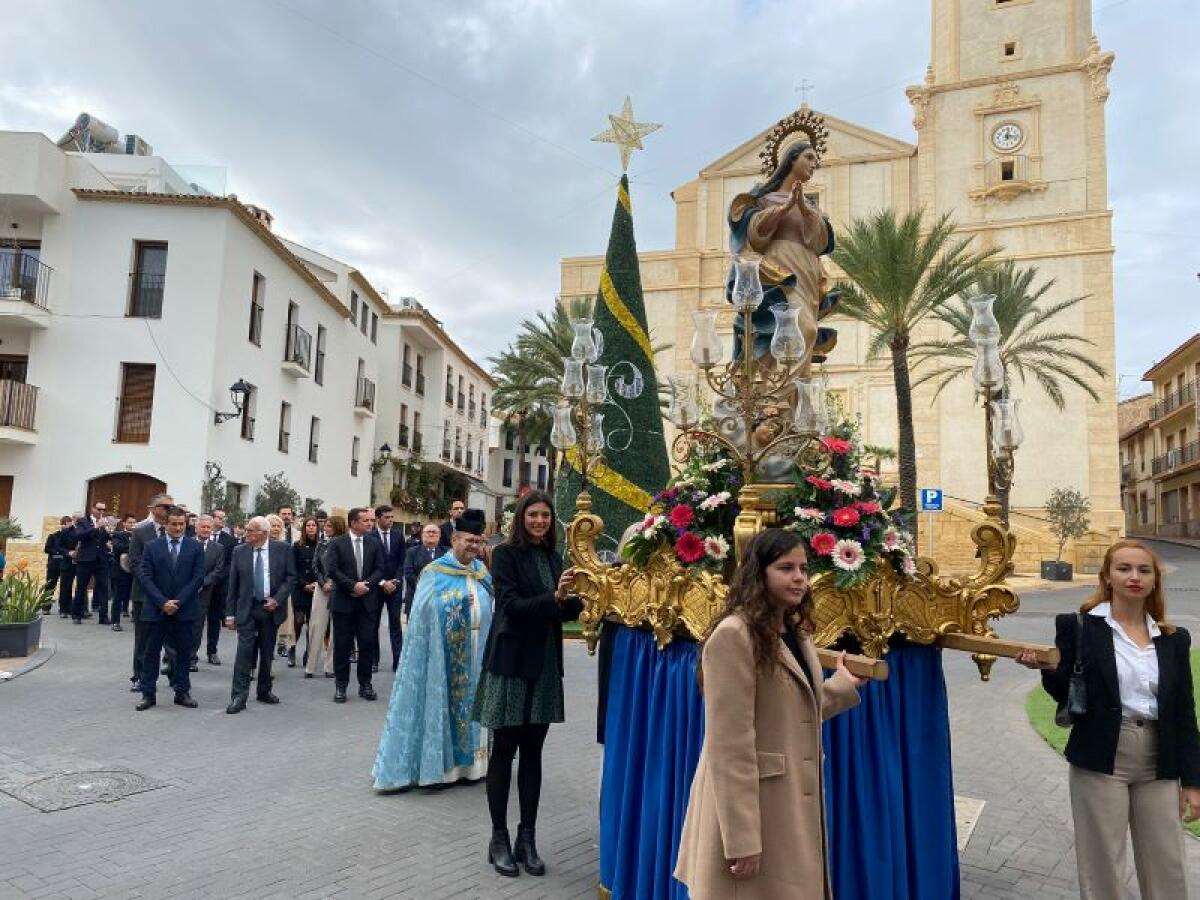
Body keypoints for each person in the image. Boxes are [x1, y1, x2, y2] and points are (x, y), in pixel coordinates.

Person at [675, 528, 865, 900]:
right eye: (785, 568)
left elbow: (793, 711)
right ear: (758, 574)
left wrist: (842, 686)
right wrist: (741, 838)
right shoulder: (734, 635)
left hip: (785, 807)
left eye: (803, 569)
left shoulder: (793, 631)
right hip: (755, 812)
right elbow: (729, 746)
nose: (798, 578)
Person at [1017, 540, 1200, 900]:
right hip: (1101, 755)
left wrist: (1193, 781)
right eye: (1124, 569)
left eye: (1143, 570)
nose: (1134, 577)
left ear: (1154, 580)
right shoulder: (1079, 627)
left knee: (1167, 862)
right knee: (1102, 864)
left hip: (1158, 758)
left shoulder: (1173, 639)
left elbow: (1184, 713)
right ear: (1107, 577)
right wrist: (1048, 670)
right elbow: (1067, 692)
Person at [472, 490, 585, 878]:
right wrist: (554, 598)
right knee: (504, 751)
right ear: (521, 518)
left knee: (533, 754)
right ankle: (498, 838)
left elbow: (562, 610)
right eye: (533, 515)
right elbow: (512, 606)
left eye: (546, 516)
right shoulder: (504, 554)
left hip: (544, 667)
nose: (540, 521)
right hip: (511, 663)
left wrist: (580, 597)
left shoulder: (554, 558)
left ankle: (527, 839)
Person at [373, 508, 494, 790]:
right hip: (444, 655)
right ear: (454, 540)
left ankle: (473, 767)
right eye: (469, 541)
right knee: (444, 708)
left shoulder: (482, 572)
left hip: (478, 656)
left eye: (478, 542)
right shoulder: (435, 573)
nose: (474, 547)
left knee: (474, 710)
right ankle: (442, 769)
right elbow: (423, 616)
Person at [727, 140, 836, 379]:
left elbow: (820, 243)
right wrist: (785, 208)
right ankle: (777, 400)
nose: (814, 164)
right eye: (809, 157)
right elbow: (755, 234)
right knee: (801, 327)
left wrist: (806, 211)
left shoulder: (809, 205)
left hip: (808, 270)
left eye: (815, 161)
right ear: (792, 158)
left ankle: (790, 398)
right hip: (780, 268)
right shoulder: (764, 199)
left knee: (802, 330)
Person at [223, 516, 297, 714]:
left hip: (270, 608)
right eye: (246, 529)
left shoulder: (282, 549)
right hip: (247, 608)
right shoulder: (239, 551)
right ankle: (239, 696)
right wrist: (230, 614)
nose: (246, 533)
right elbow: (233, 585)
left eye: (250, 531)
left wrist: (278, 599)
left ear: (263, 534)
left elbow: (291, 578)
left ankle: (264, 690)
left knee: (266, 652)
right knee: (243, 653)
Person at [135, 506, 204, 710]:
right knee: (151, 652)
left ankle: (182, 692)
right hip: (157, 609)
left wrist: (178, 602)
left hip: (184, 609)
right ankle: (148, 694)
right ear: (165, 525)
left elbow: (198, 577)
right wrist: (162, 602)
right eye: (173, 524)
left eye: (181, 524)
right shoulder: (152, 546)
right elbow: (145, 577)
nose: (177, 528)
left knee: (183, 652)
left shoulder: (195, 547)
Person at [326, 507, 385, 703]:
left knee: (367, 644)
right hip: (344, 602)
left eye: (371, 520)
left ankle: (365, 684)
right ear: (353, 523)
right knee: (342, 646)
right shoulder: (336, 543)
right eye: (366, 520)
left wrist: (366, 585)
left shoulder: (374, 543)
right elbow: (332, 570)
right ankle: (341, 686)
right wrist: (352, 586)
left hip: (367, 603)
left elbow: (380, 568)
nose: (371, 523)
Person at [128, 494, 174, 691]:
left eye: (171, 507)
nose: (168, 511)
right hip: (144, 595)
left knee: (172, 640)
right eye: (165, 507)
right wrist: (152, 588)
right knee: (143, 640)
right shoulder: (140, 532)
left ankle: (174, 676)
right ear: (154, 508)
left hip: (171, 597)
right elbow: (135, 563)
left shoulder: (177, 531)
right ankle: (140, 677)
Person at [304, 514, 343, 679]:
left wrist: (334, 582)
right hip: (321, 588)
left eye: (329, 526)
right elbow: (315, 565)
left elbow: (345, 567)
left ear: (337, 527)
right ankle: (310, 667)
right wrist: (322, 583)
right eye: (325, 526)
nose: (325, 529)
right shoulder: (322, 543)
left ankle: (330, 667)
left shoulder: (344, 544)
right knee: (316, 626)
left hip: (339, 588)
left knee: (337, 629)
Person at [189, 515, 227, 669]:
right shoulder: (187, 543)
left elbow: (218, 570)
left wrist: (202, 583)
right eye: (202, 527)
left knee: (197, 626)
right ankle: (171, 657)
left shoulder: (218, 548)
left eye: (208, 527)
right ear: (196, 528)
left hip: (205, 593)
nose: (205, 530)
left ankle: (191, 658)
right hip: (185, 591)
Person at [374, 504, 407, 672]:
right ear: (378, 518)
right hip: (375, 587)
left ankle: (398, 660)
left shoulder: (398, 536)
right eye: (387, 517)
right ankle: (374, 660)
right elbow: (369, 565)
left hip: (395, 587)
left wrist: (396, 581)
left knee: (395, 623)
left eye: (392, 517)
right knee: (373, 624)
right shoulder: (370, 536)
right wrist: (381, 582)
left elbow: (403, 561)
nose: (391, 520)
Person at [70, 501, 111, 624]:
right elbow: (79, 535)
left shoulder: (104, 522)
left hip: (101, 559)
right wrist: (96, 527)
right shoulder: (83, 521)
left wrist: (108, 530)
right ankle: (77, 615)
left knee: (104, 588)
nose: (101, 512)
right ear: (93, 509)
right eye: (99, 509)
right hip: (85, 559)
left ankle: (103, 617)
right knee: (81, 588)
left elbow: (105, 540)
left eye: (104, 510)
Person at [289, 516, 321, 669]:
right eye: (308, 525)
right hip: (300, 589)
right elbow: (292, 569)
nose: (310, 528)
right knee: (298, 620)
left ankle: (309, 652)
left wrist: (317, 583)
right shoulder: (296, 546)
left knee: (312, 624)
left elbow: (323, 567)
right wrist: (303, 585)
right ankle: (292, 648)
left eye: (313, 525)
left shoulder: (322, 546)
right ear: (304, 528)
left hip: (317, 589)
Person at [207, 509, 237, 665]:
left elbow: (230, 563)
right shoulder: (199, 536)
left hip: (219, 586)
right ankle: (191, 653)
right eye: (219, 517)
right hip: (200, 585)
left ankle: (212, 651)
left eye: (224, 518)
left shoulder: (230, 540)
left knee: (214, 620)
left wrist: (216, 578)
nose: (222, 520)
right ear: (211, 519)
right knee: (195, 621)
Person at [404, 523, 447, 619]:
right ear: (422, 535)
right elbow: (408, 574)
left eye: (434, 532)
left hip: (440, 598)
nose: (431, 534)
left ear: (439, 536)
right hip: (417, 597)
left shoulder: (446, 553)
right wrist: (427, 587)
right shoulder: (412, 552)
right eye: (428, 532)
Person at [108, 513, 137, 631]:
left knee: (135, 595)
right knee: (118, 597)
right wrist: (132, 546)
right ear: (124, 523)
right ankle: (115, 621)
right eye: (129, 522)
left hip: (135, 570)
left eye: (134, 523)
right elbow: (117, 547)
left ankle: (136, 617)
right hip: (120, 570)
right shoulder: (118, 534)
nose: (132, 525)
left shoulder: (138, 534)